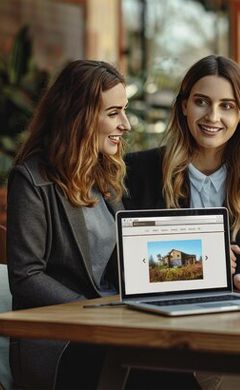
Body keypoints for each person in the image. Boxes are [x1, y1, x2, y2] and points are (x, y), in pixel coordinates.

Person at [7, 59, 130, 388]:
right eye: (114, 112)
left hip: (114, 328)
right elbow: (26, 276)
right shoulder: (31, 180)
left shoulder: (105, 176)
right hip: (58, 337)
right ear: (81, 116)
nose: (126, 124)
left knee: (175, 370)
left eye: (125, 110)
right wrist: (93, 310)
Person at [124, 55, 240, 295]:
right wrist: (201, 261)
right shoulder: (141, 170)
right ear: (184, 106)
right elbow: (126, 265)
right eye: (201, 102)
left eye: (227, 106)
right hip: (163, 309)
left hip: (239, 310)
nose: (212, 116)